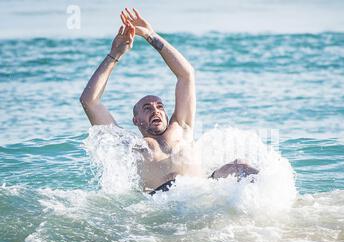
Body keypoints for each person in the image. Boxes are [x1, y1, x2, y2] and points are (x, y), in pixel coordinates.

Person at [80, 8, 258, 194]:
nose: (155, 110)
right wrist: (115, 54)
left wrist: (151, 35)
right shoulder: (134, 147)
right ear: (136, 120)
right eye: (147, 108)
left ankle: (281, 203)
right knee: (174, 187)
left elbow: (186, 75)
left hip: (203, 191)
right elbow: (89, 101)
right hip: (164, 201)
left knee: (239, 166)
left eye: (159, 106)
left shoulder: (182, 127)